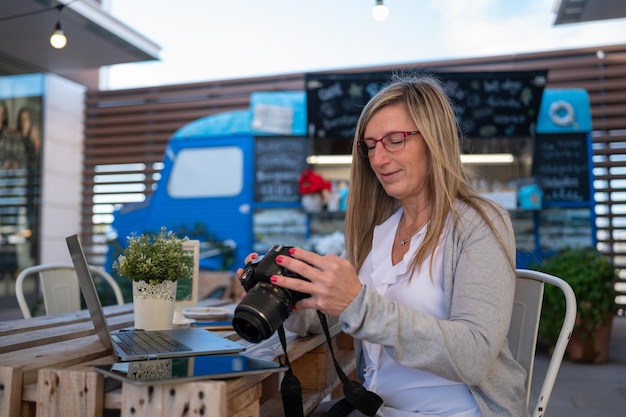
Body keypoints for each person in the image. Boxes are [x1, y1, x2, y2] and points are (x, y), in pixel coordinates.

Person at [237, 74, 529, 417]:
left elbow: (475, 355)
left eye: (395, 140)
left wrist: (358, 303)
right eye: (371, 145)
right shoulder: (378, 232)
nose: (378, 159)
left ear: (435, 139)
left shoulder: (478, 222)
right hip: (377, 408)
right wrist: (289, 297)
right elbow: (331, 316)